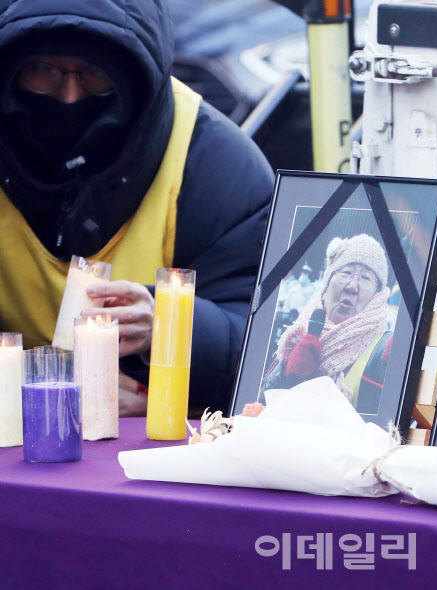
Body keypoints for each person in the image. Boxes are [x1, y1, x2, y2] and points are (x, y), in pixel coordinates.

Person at [0, 0, 274, 415]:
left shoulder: (216, 165)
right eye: (43, 72)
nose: (70, 97)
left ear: (135, 79)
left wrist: (169, 326)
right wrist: (28, 386)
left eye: (95, 75)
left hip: (155, 442)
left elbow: (268, 352)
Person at [262, 234, 393, 414]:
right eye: (346, 272)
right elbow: (259, 408)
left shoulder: (384, 351)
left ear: (376, 297)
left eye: (365, 278)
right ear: (327, 283)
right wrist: (286, 375)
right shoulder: (298, 332)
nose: (352, 286)